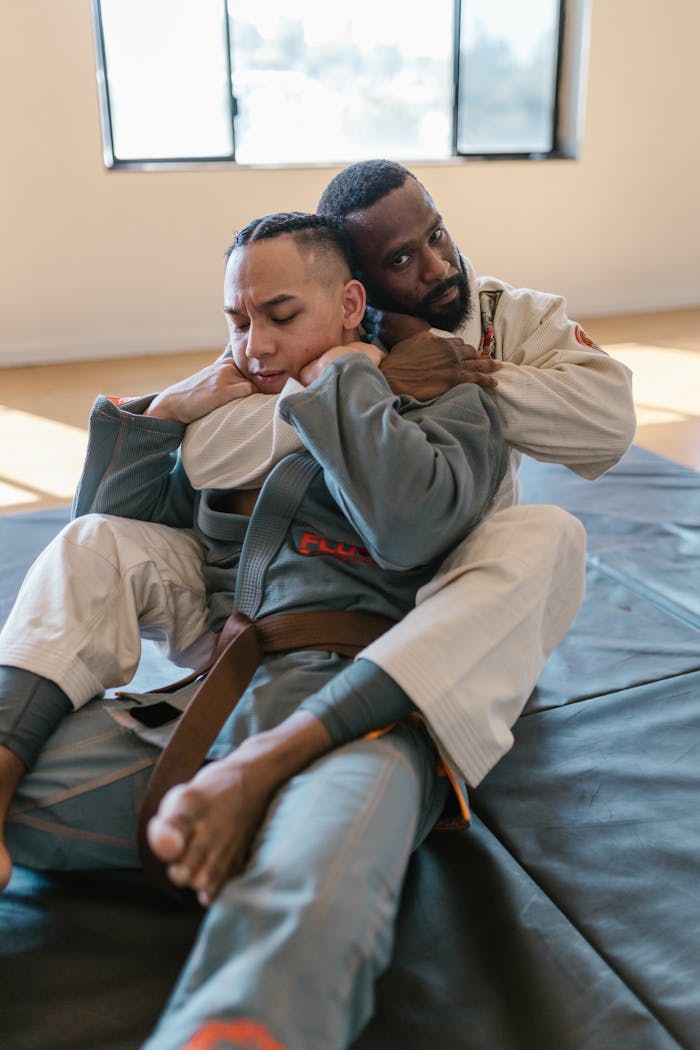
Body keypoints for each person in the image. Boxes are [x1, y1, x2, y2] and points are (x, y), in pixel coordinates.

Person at [4, 211, 507, 1050]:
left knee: (309, 871)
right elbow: (101, 538)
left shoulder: (446, 401)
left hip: (360, 705)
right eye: (237, 322)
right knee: (90, 551)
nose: (256, 347)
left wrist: (346, 380)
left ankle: (246, 1022)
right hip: (220, 691)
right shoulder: (235, 419)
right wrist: (172, 410)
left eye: (279, 316)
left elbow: (409, 530)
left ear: (351, 303)